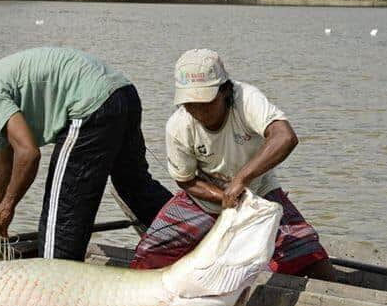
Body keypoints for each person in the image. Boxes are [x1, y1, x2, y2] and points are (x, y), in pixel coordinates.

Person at [0, 47, 171, 260]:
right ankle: (194, 231)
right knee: (134, 186)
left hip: (90, 106)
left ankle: (54, 293)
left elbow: (28, 154)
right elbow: (2, 163)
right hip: (122, 94)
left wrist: (8, 207)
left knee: (60, 223)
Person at [130, 49, 338, 282]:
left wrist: (241, 180)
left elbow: (285, 136)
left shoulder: (246, 99)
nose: (198, 111)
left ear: (225, 91)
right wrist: (223, 196)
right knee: (149, 253)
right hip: (203, 199)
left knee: (310, 257)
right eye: (190, 103)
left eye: (205, 103)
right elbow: (186, 180)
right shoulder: (178, 125)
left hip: (258, 193)